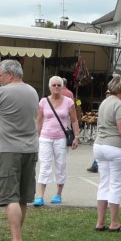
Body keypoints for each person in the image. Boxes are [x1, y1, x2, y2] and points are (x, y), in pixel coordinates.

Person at [0, 59, 39, 241]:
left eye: (0, 76)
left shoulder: (2, 92)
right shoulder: (33, 91)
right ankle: (17, 237)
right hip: (30, 149)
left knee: (10, 196)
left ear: (10, 74)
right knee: (22, 196)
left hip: (8, 149)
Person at [93, 75, 121, 232]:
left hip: (99, 145)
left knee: (104, 183)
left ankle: (100, 222)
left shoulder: (105, 102)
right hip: (116, 147)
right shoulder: (120, 105)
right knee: (116, 184)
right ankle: (114, 222)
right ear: (120, 89)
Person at [34, 75, 80, 206]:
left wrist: (76, 137)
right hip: (45, 137)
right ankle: (40, 196)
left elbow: (74, 120)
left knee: (60, 165)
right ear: (49, 87)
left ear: (62, 87)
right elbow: (39, 121)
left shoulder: (69, 102)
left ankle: (58, 194)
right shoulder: (43, 101)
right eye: (54, 85)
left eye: (59, 85)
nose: (56, 87)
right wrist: (36, 137)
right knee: (45, 165)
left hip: (61, 138)